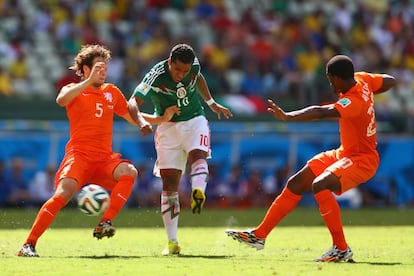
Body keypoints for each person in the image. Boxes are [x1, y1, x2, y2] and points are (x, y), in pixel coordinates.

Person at [225, 55, 396, 262]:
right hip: (344, 153)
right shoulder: (362, 79)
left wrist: (289, 117)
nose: (330, 83)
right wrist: (374, 90)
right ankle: (259, 235)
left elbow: (321, 112)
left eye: (330, 79)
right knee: (297, 182)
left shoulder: (354, 100)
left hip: (362, 159)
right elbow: (389, 80)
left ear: (337, 78)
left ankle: (341, 249)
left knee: (320, 184)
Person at [17, 44, 175, 257]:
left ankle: (105, 221)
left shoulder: (111, 92)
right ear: (84, 69)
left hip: (104, 160)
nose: (103, 72)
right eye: (98, 67)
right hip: (79, 156)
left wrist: (160, 119)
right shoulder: (73, 90)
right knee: (62, 195)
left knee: (130, 172)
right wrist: (89, 82)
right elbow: (61, 99)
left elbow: (132, 118)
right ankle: (28, 244)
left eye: (105, 68)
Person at [128, 43, 232, 255]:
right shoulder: (156, 74)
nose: (181, 75)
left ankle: (198, 191)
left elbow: (198, 76)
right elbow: (132, 103)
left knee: (198, 155)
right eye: (177, 70)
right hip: (168, 128)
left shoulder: (193, 65)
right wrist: (143, 121)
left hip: (195, 119)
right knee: (170, 184)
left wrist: (210, 102)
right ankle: (172, 241)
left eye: (185, 71)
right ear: (169, 62)